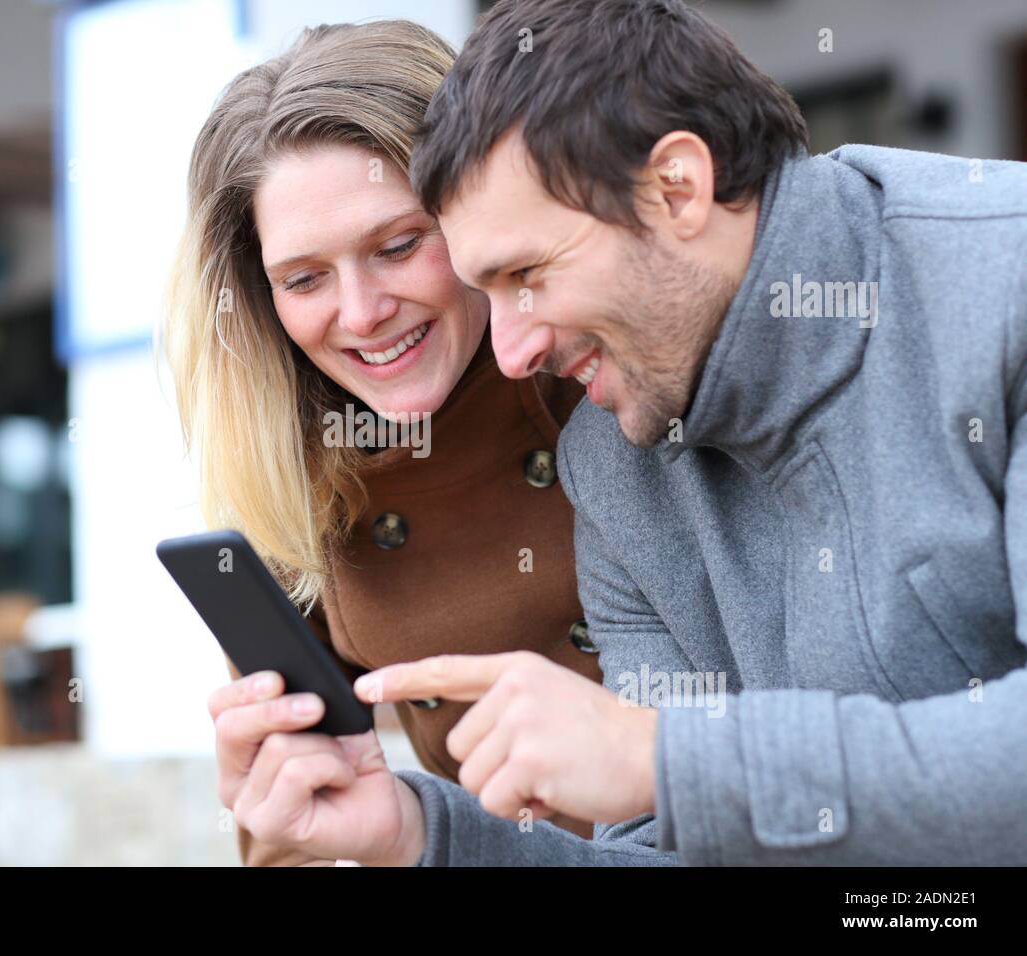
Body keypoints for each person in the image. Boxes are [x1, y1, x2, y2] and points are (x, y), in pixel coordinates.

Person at [357, 0, 1027, 865]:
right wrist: (426, 840)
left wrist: (667, 758)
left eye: (526, 273)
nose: (513, 353)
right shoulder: (610, 468)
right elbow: (662, 849)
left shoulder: (1005, 286)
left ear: (677, 188)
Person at [164, 19, 593, 866]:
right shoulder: (295, 484)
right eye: (305, 279)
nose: (360, 314)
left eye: (398, 246)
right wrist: (290, 797)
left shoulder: (607, 374)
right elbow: (291, 842)